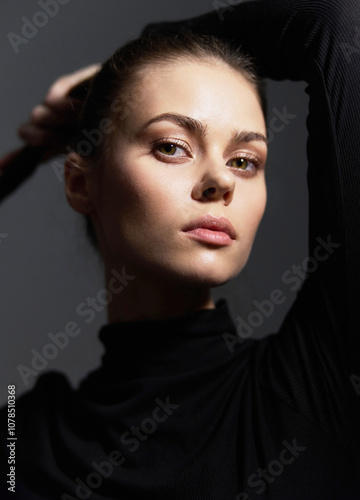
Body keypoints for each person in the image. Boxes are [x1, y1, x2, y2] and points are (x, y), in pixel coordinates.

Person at [1, 0, 360, 498]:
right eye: (172, 146)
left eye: (244, 160)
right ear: (81, 185)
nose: (220, 180)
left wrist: (149, 43)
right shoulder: (22, 439)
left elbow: (335, 22)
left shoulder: (321, 380)